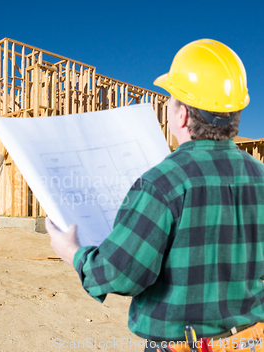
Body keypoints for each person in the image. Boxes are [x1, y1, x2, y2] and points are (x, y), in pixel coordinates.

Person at [47, 39, 264, 352]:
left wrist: (72, 252)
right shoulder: (259, 177)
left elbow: (121, 272)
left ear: (183, 115)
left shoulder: (163, 183)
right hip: (252, 341)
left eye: (172, 99)